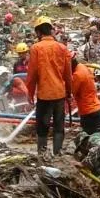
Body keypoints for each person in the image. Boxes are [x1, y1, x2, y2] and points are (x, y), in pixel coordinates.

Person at [27, 16, 73, 157]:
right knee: (59, 126)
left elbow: (32, 74)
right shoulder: (62, 48)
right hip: (59, 94)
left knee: (42, 126)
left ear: (39, 32)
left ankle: (42, 153)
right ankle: (58, 154)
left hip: (44, 95)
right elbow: (68, 74)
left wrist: (30, 94)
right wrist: (69, 92)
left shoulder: (36, 48)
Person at [71, 57, 100, 134]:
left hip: (88, 111)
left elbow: (72, 91)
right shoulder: (83, 67)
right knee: (97, 136)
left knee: (89, 138)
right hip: (96, 107)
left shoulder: (77, 75)